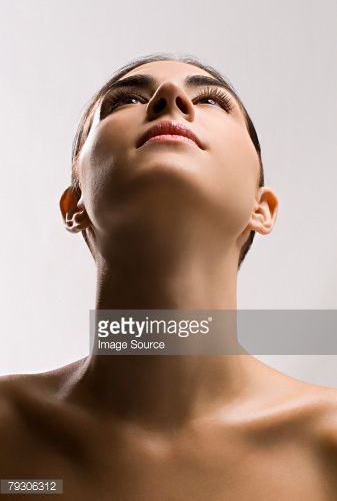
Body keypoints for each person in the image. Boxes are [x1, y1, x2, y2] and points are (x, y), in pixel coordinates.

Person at [0, 53, 336, 500]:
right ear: (74, 204)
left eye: (213, 100)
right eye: (125, 100)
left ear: (262, 208)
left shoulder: (327, 444)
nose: (170, 97)